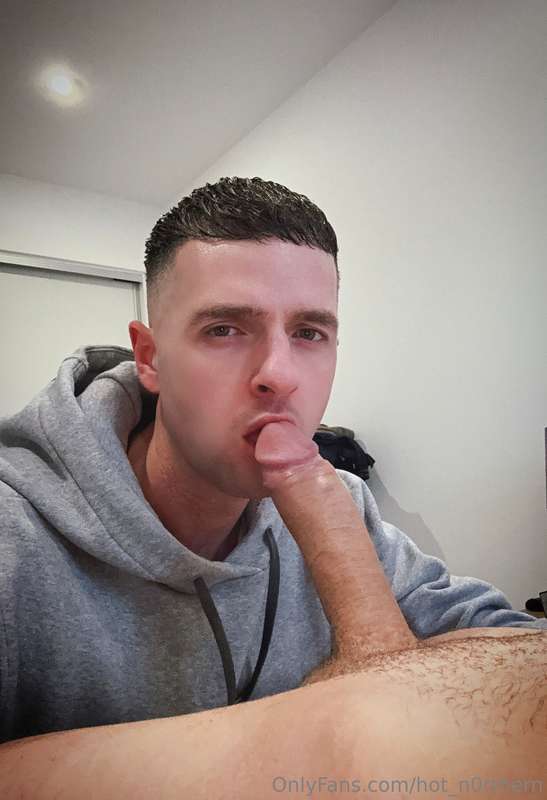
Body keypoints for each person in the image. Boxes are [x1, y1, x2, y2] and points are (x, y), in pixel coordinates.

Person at [0, 178, 545, 768]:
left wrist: (388, 659)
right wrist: (306, 730)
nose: (279, 375)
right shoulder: (14, 541)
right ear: (150, 358)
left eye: (309, 333)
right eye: (224, 329)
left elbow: (518, 647)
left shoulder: (347, 504)